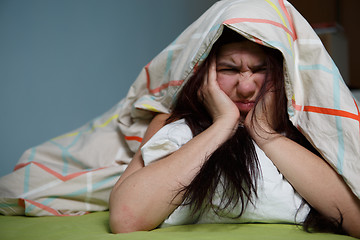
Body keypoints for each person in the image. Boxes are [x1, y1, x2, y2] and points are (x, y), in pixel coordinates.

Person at [108, 27, 360, 237]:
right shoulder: (170, 123)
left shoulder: (305, 130)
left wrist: (262, 132)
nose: (246, 87)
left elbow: (355, 220)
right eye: (229, 69)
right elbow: (127, 219)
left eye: (261, 69)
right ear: (204, 74)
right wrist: (223, 124)